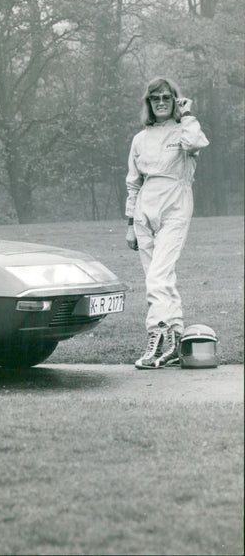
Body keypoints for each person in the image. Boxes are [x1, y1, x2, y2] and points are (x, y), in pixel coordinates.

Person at [125, 76, 208, 369]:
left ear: (175, 100)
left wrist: (185, 115)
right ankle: (174, 338)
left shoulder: (185, 129)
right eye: (155, 98)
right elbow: (133, 184)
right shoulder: (140, 138)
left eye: (166, 97)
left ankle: (156, 336)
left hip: (175, 203)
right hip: (145, 210)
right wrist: (130, 223)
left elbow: (196, 142)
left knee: (158, 277)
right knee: (160, 278)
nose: (161, 102)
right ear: (148, 103)